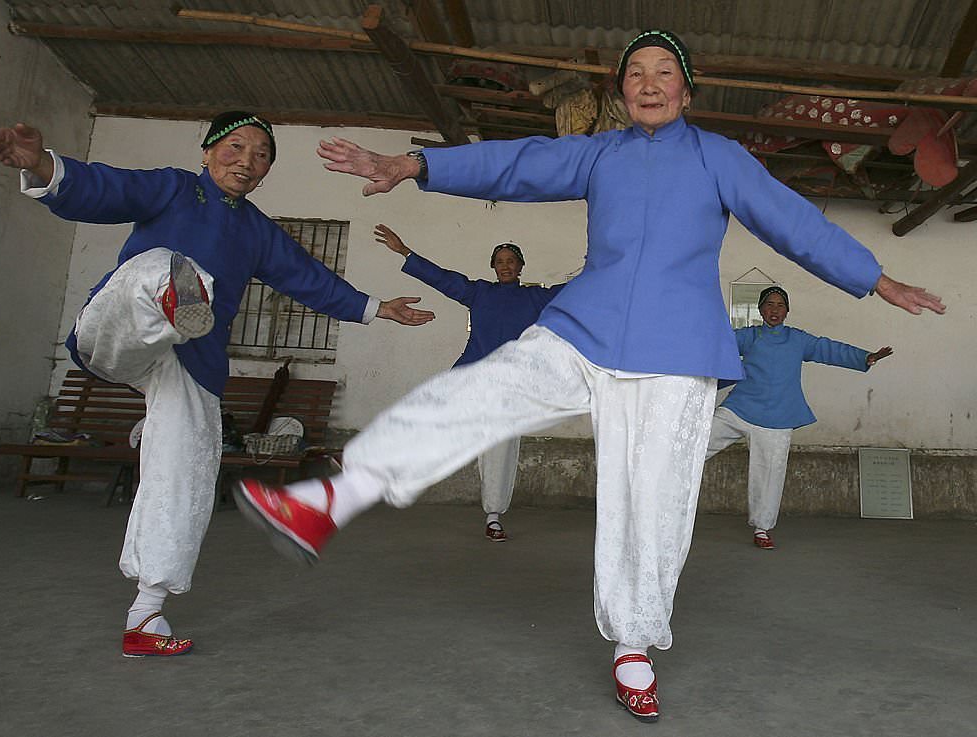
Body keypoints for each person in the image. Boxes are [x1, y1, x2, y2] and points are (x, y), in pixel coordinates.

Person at [234, 29, 944, 722]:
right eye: (635, 73)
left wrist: (874, 278)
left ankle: (634, 647)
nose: (649, 83)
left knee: (654, 496)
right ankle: (337, 493)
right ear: (622, 93)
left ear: (687, 90)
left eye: (664, 71)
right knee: (487, 387)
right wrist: (418, 166)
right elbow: (520, 163)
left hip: (677, 349)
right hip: (588, 324)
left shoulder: (718, 158)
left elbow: (792, 220)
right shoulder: (600, 154)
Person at [0, 112, 435, 658]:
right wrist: (43, 165)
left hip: (189, 360)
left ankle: (145, 616)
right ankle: (176, 298)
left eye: (262, 155)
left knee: (188, 470)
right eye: (236, 147)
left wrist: (376, 308)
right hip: (118, 333)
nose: (247, 161)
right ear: (207, 152)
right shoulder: (174, 189)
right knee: (161, 264)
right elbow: (107, 187)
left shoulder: (257, 230)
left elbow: (306, 277)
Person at [373, 223, 568, 541]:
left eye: (511, 261)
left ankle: (493, 516)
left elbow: (575, 290)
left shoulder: (536, 298)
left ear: (520, 267)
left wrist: (604, 265)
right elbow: (443, 279)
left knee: (499, 449)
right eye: (500, 261)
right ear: (493, 267)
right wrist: (406, 252)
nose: (505, 266)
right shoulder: (479, 292)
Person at [705, 286, 893, 550]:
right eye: (769, 304)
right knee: (695, 443)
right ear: (760, 309)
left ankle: (762, 528)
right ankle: (660, 492)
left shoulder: (797, 340)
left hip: (779, 415)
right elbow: (716, 343)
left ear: (787, 311)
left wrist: (865, 357)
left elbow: (829, 349)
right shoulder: (749, 336)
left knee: (770, 475)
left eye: (780, 305)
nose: (774, 310)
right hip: (740, 409)